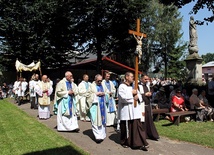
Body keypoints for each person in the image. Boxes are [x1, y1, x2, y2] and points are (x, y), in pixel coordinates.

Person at [118, 72, 148, 151]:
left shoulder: (133, 86)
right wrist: (131, 95)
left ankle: (136, 142)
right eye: (131, 76)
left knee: (136, 126)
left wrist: (137, 97)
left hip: (134, 110)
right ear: (127, 77)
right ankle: (124, 142)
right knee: (125, 126)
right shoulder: (122, 86)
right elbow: (122, 97)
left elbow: (139, 96)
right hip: (125, 110)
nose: (133, 78)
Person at [87, 74, 108, 143]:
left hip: (102, 106)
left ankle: (102, 135)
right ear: (95, 80)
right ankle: (97, 136)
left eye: (101, 81)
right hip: (95, 106)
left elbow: (107, 92)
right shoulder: (91, 86)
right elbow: (88, 95)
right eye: (98, 81)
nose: (100, 82)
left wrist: (104, 94)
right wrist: (95, 94)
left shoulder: (103, 85)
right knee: (95, 121)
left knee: (102, 121)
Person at [138, 74, 159, 141]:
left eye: (147, 79)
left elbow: (150, 91)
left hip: (147, 104)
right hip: (141, 105)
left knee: (149, 119)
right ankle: (143, 134)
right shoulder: (138, 86)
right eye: (145, 79)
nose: (146, 81)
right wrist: (144, 94)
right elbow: (138, 95)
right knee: (142, 120)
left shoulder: (147, 85)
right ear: (141, 79)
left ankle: (150, 134)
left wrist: (150, 94)